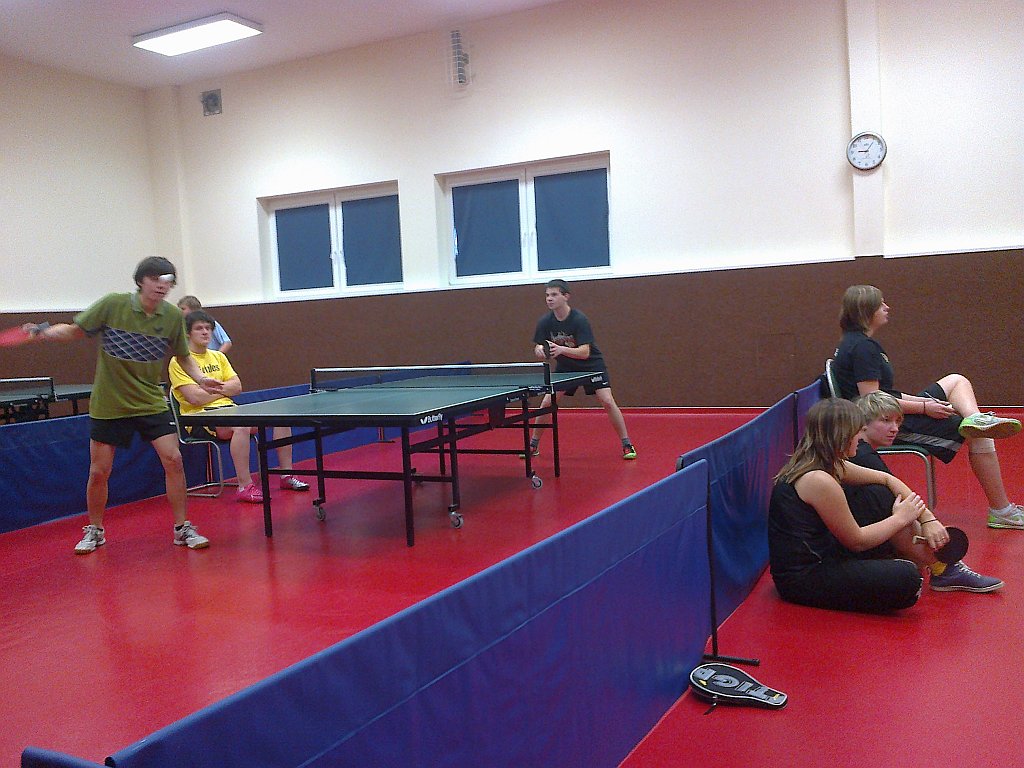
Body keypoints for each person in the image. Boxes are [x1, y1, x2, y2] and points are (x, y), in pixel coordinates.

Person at [22, 257, 221, 554]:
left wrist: (201, 379)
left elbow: (182, 355)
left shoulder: (171, 316)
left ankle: (182, 528)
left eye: (167, 281)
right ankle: (95, 530)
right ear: (141, 280)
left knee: (174, 460)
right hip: (110, 403)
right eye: (155, 279)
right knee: (99, 471)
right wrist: (44, 332)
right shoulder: (113, 304)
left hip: (150, 401)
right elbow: (75, 331)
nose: (161, 285)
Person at [832, 284, 1023, 530]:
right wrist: (923, 409)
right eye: (881, 304)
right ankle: (1002, 511)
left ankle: (975, 418)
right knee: (978, 436)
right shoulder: (863, 348)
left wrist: (924, 402)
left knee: (956, 381)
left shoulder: (853, 343)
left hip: (886, 411)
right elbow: (873, 402)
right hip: (882, 422)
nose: (887, 307)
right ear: (867, 310)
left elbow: (886, 393)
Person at [770, 397, 954, 612]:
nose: (860, 437)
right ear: (843, 435)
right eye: (858, 431)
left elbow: (887, 479)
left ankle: (934, 560)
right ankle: (933, 562)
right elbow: (857, 542)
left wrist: (928, 518)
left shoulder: (829, 463)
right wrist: (900, 518)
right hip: (803, 578)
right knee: (908, 577)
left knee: (880, 493)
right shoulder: (818, 480)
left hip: (826, 552)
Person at [849, 391, 1002, 592]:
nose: (894, 428)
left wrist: (926, 520)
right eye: (886, 421)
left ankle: (933, 561)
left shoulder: (861, 450)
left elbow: (895, 486)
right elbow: (895, 493)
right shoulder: (861, 454)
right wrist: (928, 520)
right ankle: (943, 568)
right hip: (845, 541)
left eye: (897, 422)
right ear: (863, 424)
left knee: (896, 503)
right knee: (887, 501)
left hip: (855, 527)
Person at [168, 310, 310, 503]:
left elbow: (237, 387)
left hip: (229, 410)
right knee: (240, 425)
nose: (205, 332)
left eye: (208, 328)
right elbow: (194, 398)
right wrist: (224, 390)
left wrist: (213, 391)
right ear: (187, 333)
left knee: (280, 417)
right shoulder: (178, 362)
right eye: (199, 328)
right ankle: (245, 486)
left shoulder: (218, 357)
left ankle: (286, 475)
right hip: (199, 418)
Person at [527, 279, 636, 460]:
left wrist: (561, 350)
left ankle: (627, 444)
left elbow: (585, 352)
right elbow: (539, 345)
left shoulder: (579, 319)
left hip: (591, 366)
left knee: (607, 401)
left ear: (566, 296)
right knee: (546, 403)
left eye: (554, 295)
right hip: (566, 368)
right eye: (547, 295)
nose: (549, 299)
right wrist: (539, 349)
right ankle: (533, 445)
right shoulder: (545, 322)